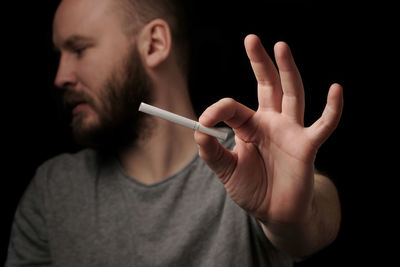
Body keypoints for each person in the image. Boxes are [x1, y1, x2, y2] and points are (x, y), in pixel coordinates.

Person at [5, 0, 344, 266]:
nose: (61, 76)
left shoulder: (252, 162)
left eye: (78, 49)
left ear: (154, 44)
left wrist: (293, 218)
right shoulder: (54, 189)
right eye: (59, 54)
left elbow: (316, 220)